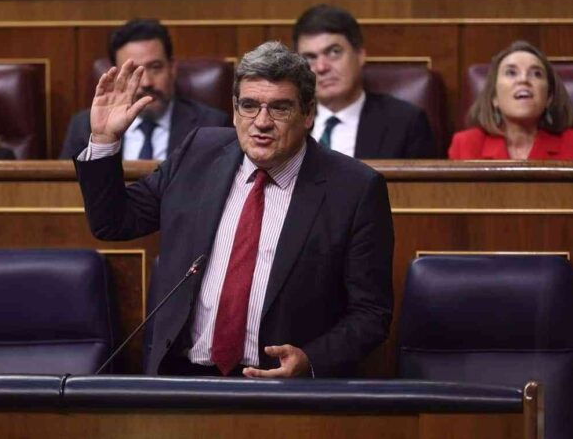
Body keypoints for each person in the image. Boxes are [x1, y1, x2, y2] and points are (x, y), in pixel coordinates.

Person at [75, 41, 393, 378]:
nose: (262, 122)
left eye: (280, 108)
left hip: (282, 385)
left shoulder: (354, 189)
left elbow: (371, 313)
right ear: (234, 108)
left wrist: (310, 360)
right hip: (183, 377)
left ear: (308, 113)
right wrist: (104, 139)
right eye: (249, 106)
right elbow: (114, 222)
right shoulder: (198, 152)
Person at [60, 19, 231, 159]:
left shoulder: (211, 125)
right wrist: (104, 140)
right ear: (118, 75)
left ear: (172, 69)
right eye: (133, 71)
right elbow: (66, 186)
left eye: (155, 67)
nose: (146, 83)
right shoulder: (85, 127)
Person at [292, 4, 436, 159]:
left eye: (334, 52)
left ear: (360, 55)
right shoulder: (289, 122)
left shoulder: (405, 123)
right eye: (309, 58)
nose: (321, 67)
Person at [449, 40, 573, 160]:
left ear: (549, 97)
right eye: (511, 73)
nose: (523, 79)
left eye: (536, 74)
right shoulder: (466, 145)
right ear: (494, 97)